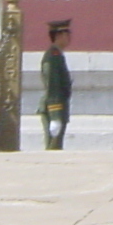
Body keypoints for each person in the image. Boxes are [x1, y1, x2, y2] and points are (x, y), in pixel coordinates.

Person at [40, 19, 72, 150]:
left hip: (59, 108)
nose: (69, 38)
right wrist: (55, 116)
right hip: (54, 108)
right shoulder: (53, 57)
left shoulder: (57, 55)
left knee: (56, 147)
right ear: (58, 36)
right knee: (53, 148)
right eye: (67, 34)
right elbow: (53, 86)